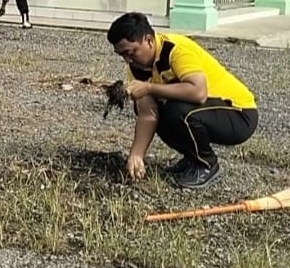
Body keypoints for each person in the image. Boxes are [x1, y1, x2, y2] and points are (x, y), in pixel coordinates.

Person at [106, 12, 258, 190]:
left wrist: (149, 88)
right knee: (156, 107)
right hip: (205, 112)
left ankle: (206, 164)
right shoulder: (137, 67)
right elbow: (148, 114)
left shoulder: (176, 50)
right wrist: (136, 156)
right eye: (122, 55)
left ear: (148, 40)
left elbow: (198, 92)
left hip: (238, 114)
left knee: (176, 110)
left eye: (130, 52)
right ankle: (192, 159)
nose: (127, 60)